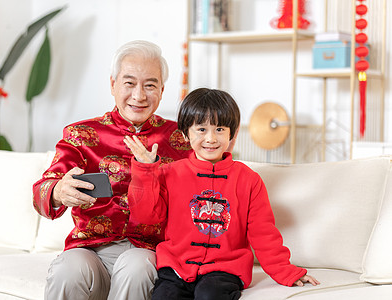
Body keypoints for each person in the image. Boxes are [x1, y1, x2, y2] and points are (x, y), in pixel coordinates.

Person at [32, 40, 193, 300]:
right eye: (129, 83)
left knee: (137, 267)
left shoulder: (181, 138)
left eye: (150, 85)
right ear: (113, 85)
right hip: (90, 249)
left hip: (148, 251)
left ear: (162, 90)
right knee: (68, 271)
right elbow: (42, 191)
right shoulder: (81, 134)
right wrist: (58, 191)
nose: (139, 95)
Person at [125, 88, 320, 300]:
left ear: (232, 134)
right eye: (201, 129)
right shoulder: (169, 173)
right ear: (185, 134)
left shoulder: (248, 180)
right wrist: (146, 171)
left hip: (225, 270)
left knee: (209, 295)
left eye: (219, 129)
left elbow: (264, 234)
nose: (211, 138)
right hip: (176, 267)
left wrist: (285, 271)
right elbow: (145, 217)